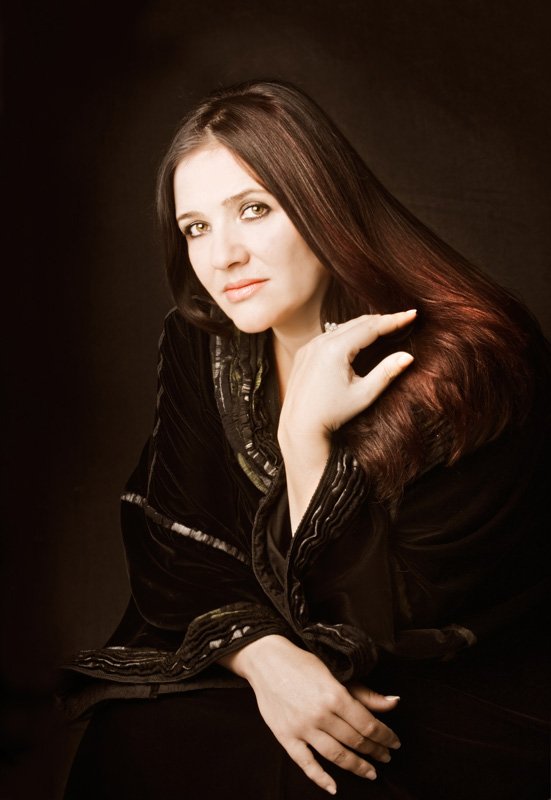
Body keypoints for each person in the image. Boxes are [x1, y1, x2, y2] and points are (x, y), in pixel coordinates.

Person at [61, 80, 550, 799]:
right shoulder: (207, 341)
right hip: (291, 649)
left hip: (456, 688)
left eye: (253, 210)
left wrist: (304, 439)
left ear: (323, 203)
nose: (222, 256)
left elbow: (389, 627)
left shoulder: (467, 359)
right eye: (194, 227)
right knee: (134, 735)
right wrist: (263, 660)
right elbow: (180, 546)